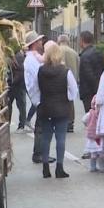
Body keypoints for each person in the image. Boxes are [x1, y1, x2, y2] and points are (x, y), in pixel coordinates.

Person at [35, 42, 79, 178]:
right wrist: (68, 98)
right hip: (61, 108)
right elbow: (74, 90)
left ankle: (45, 168)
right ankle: (59, 168)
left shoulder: (41, 71)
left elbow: (36, 88)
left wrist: (39, 102)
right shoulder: (65, 71)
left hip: (45, 107)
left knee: (46, 138)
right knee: (61, 138)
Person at [23, 31, 53, 164]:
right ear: (34, 44)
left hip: (40, 95)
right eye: (39, 41)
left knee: (42, 125)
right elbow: (39, 76)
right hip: (40, 96)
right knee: (41, 126)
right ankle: (39, 153)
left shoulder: (34, 58)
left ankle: (40, 153)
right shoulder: (31, 60)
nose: (41, 43)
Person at [78, 31, 104, 113]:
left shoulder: (84, 56)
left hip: (88, 92)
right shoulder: (99, 52)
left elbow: (88, 75)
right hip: (100, 90)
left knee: (91, 117)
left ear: (82, 41)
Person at [57, 35, 80, 132]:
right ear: (68, 41)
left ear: (59, 41)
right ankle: (70, 123)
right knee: (70, 101)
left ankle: (61, 121)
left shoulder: (56, 51)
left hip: (58, 80)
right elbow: (78, 66)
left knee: (59, 102)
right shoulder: (74, 53)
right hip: (72, 80)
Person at [82, 96, 104, 172]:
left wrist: (88, 125)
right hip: (101, 136)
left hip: (92, 136)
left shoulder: (90, 113)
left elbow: (83, 120)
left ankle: (92, 167)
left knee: (93, 153)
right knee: (101, 153)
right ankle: (102, 167)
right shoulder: (103, 114)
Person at [8, 42, 28, 131]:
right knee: (19, 105)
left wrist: (11, 82)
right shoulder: (17, 55)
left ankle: (21, 124)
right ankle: (21, 124)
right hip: (16, 84)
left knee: (20, 105)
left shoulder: (18, 56)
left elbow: (19, 72)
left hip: (17, 85)